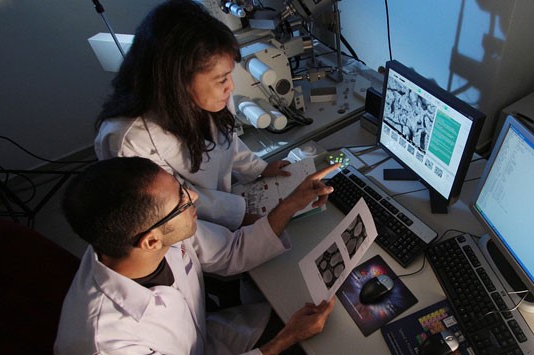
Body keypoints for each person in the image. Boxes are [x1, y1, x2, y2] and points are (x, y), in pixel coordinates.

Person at [54, 157, 338, 354]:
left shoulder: (147, 237)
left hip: (207, 338)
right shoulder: (106, 343)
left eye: (181, 187)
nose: (194, 197)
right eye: (181, 201)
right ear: (151, 241)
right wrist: (285, 340)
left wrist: (290, 204)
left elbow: (232, 252)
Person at [95, 0, 288, 231]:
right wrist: (241, 217)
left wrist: (260, 168)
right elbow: (176, 202)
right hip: (185, 230)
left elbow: (229, 143)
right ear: (178, 80)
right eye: (221, 79)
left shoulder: (212, 97)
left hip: (226, 207)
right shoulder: (128, 139)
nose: (231, 88)